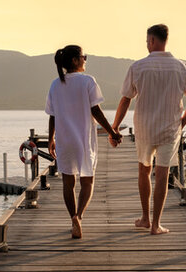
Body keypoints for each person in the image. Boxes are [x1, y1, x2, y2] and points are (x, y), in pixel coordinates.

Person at [111, 24, 186, 235]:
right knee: (162, 175)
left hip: (144, 127)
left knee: (144, 170)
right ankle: (156, 225)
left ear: (152, 40)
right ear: (165, 40)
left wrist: (114, 128)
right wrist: (182, 122)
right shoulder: (182, 67)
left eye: (147, 41)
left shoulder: (138, 67)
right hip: (170, 129)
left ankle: (145, 218)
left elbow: (125, 100)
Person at [45, 45, 123, 239]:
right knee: (87, 181)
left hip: (64, 140)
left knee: (68, 182)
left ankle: (72, 217)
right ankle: (78, 217)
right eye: (83, 56)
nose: (85, 60)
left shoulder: (55, 84)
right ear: (74, 60)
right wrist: (112, 132)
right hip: (83, 140)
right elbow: (95, 110)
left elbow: (52, 116)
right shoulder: (88, 81)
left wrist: (51, 139)